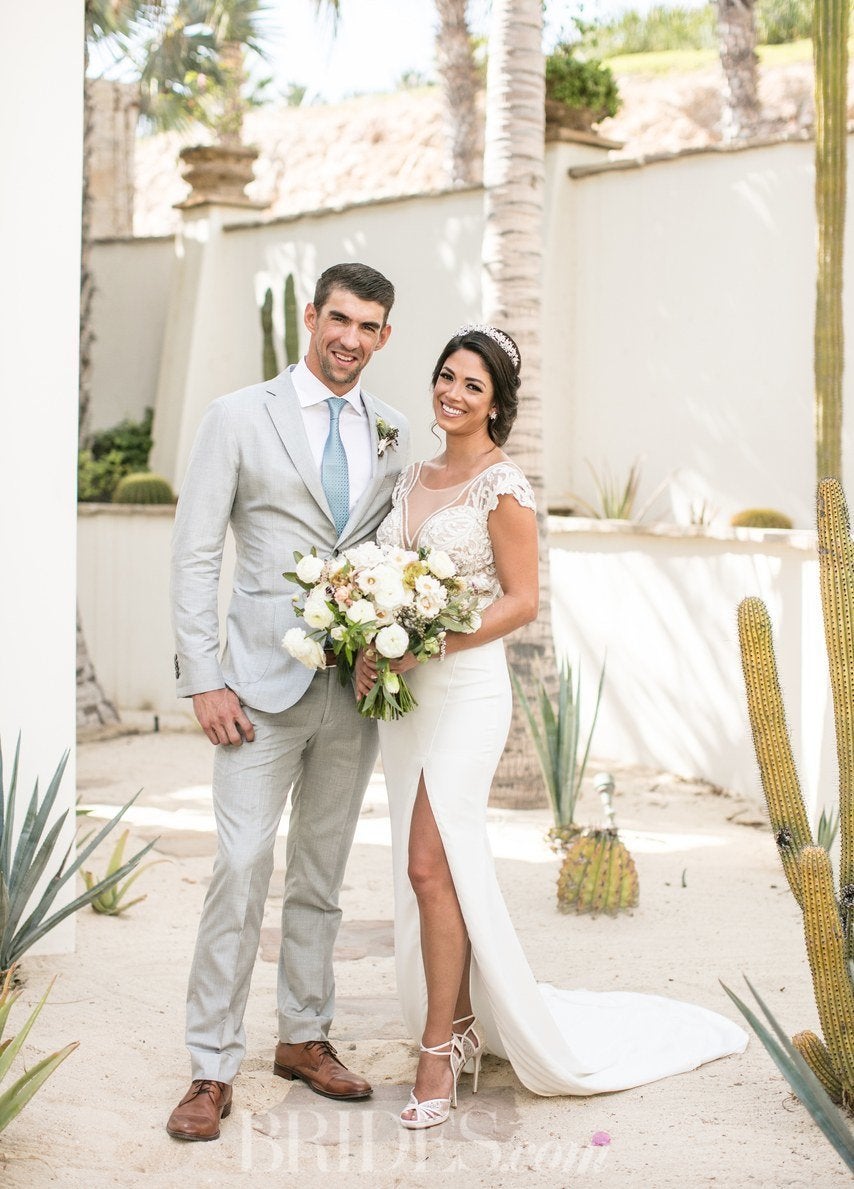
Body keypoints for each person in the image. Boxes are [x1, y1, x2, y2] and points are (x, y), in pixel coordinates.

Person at [355, 324, 747, 1130]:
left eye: (473, 386)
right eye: (446, 377)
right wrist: (371, 642)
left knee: (433, 864)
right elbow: (381, 579)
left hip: (464, 691)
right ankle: (458, 1023)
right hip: (405, 697)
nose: (452, 394)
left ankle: (440, 1048)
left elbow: (522, 600)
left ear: (497, 405)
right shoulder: (408, 478)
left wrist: (427, 641)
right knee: (428, 867)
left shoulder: (504, 486)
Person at [167, 262, 409, 1141]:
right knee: (239, 867)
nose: (350, 338)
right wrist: (204, 676)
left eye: (370, 326)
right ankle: (209, 1064)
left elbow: (390, 551)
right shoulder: (238, 416)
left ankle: (305, 1035)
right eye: (339, 319)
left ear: (385, 336)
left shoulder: (392, 430)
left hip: (352, 690)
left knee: (323, 872)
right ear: (311, 318)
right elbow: (197, 551)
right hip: (254, 692)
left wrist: (393, 645)